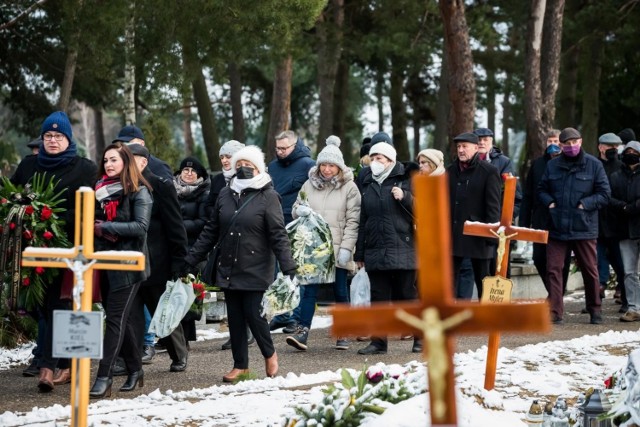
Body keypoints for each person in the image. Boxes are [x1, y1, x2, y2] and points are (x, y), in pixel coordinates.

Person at [184, 145, 297, 382]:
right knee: (234, 316)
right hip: (229, 263)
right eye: (239, 165)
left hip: (256, 264)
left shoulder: (268, 196)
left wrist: (288, 266)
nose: (243, 169)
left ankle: (269, 353)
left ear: (258, 168)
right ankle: (240, 365)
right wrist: (192, 259)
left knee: (253, 313)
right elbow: (211, 230)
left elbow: (278, 233)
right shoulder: (226, 193)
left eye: (249, 165)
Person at [11, 111, 97, 392]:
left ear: (68, 139)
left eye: (58, 136)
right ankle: (59, 362)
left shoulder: (84, 168)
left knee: (58, 306)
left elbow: (92, 208)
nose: (52, 140)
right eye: (48, 136)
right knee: (38, 307)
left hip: (69, 249)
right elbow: (12, 198)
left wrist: (59, 217)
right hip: (32, 248)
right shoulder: (28, 166)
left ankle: (52, 366)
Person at [285, 136, 361, 351]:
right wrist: (299, 210)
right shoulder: (309, 184)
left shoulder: (350, 188)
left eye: (331, 165)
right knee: (309, 290)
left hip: (337, 246)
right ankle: (302, 332)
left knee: (339, 290)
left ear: (339, 166)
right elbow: (296, 207)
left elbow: (353, 221)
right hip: (314, 247)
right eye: (323, 165)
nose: (327, 170)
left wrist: (347, 248)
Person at [89, 142, 153, 398]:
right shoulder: (101, 192)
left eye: (113, 160)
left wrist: (106, 228)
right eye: (105, 161)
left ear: (126, 161)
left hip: (129, 266)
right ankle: (136, 369)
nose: (109, 165)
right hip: (105, 263)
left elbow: (140, 227)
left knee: (114, 321)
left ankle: (103, 376)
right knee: (121, 320)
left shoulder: (140, 192)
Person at [125, 143, 190, 372]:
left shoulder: (161, 186)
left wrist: (179, 260)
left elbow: (175, 225)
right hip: (130, 262)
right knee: (130, 315)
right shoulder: (122, 187)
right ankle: (129, 360)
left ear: (143, 162)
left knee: (162, 311)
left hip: (157, 261)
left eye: (130, 159)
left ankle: (179, 354)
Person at [537, 127, 610, 325]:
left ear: (581, 142)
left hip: (584, 227)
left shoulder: (594, 165)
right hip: (557, 226)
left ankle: (595, 309)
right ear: (560, 145)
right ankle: (555, 312)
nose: (571, 147)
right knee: (553, 269)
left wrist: (585, 204)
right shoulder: (553, 166)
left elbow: (604, 194)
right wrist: (550, 203)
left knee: (589, 269)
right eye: (567, 144)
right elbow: (541, 189)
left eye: (574, 143)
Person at [354, 141, 420, 355]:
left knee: (407, 297)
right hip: (376, 250)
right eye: (372, 158)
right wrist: (360, 252)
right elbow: (364, 219)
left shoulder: (407, 179)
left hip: (404, 248)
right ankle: (378, 342)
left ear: (390, 160)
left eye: (379, 158)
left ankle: (421, 338)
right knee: (379, 299)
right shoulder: (367, 182)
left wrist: (406, 197)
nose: (374, 162)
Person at [204, 140, 255, 351]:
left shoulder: (249, 178)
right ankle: (236, 332)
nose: (225, 160)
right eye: (222, 157)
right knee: (228, 288)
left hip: (244, 241)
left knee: (243, 288)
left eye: (229, 157)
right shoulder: (217, 181)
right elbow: (209, 207)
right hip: (222, 239)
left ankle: (248, 330)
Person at [267, 130, 315, 332]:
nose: (280, 151)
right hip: (274, 223)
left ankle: (295, 317)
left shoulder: (308, 165)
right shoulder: (271, 166)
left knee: (297, 272)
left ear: (295, 146)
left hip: (298, 225)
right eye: (277, 148)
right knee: (277, 273)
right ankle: (281, 314)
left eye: (284, 148)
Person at [446, 132, 501, 300]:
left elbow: (493, 207)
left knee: (484, 281)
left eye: (465, 147)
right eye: (458, 147)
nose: (461, 150)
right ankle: (452, 320)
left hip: (480, 237)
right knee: (449, 284)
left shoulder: (489, 171)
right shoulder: (449, 172)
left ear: (476, 148)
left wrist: (492, 238)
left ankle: (488, 320)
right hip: (454, 236)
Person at [519, 129, 572, 295]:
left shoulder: (568, 163)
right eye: (550, 142)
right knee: (539, 258)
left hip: (562, 220)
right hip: (540, 220)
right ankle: (554, 291)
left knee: (561, 260)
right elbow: (528, 195)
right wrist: (524, 224)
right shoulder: (537, 164)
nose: (553, 145)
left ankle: (557, 295)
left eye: (556, 142)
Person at [174, 156, 211, 346]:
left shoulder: (204, 193)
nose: (188, 174)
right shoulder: (172, 190)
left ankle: (187, 336)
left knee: (191, 294)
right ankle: (173, 336)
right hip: (174, 249)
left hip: (195, 250)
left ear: (199, 175)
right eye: (185, 170)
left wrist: (179, 225)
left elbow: (205, 222)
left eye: (192, 171)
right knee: (173, 293)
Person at [609, 141, 640, 322]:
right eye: (628, 151)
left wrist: (633, 207)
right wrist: (624, 208)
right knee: (629, 272)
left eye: (634, 151)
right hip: (625, 230)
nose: (630, 154)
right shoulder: (615, 177)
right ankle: (634, 307)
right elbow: (609, 197)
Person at [595, 133, 626, 311]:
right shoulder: (593, 165)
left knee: (621, 265)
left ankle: (626, 299)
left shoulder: (622, 168)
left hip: (617, 225)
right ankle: (595, 300)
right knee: (596, 264)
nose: (614, 150)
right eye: (609, 146)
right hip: (597, 224)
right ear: (601, 147)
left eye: (616, 146)